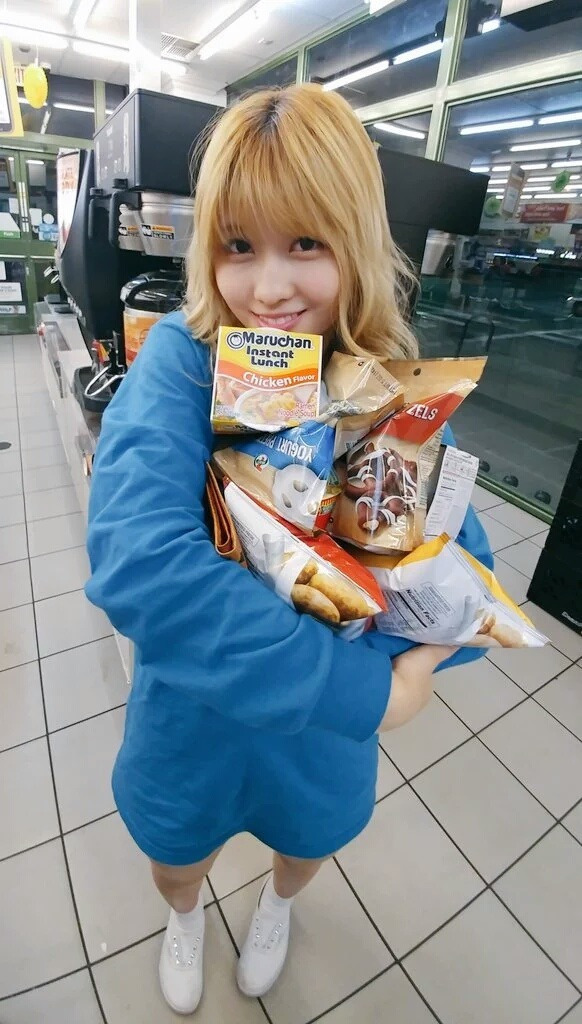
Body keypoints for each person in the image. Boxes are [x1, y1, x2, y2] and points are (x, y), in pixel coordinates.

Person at [85, 84, 492, 1016]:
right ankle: (185, 919)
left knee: (305, 846)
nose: (268, 288)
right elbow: (141, 564)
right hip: (194, 722)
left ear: (357, 239)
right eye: (238, 246)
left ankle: (275, 909)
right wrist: (373, 692)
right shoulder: (183, 362)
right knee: (175, 857)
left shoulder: (385, 385)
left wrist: (425, 653)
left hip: (315, 746)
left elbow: (459, 576)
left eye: (305, 242)